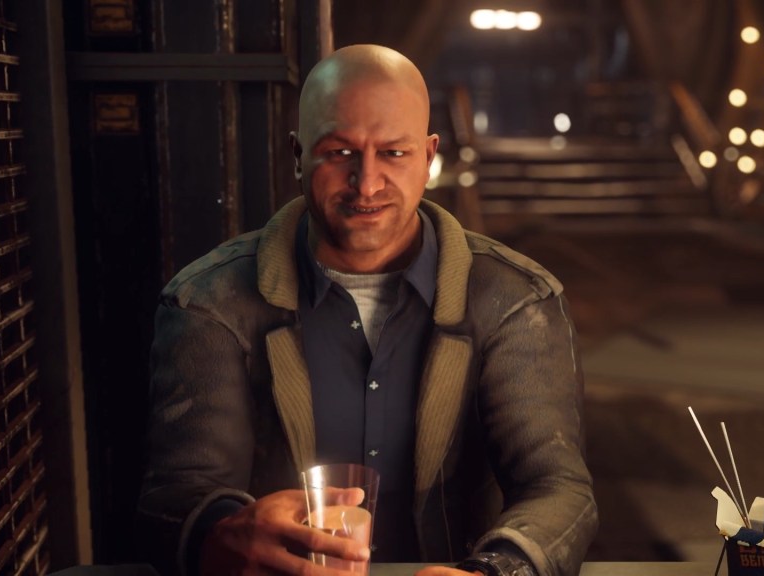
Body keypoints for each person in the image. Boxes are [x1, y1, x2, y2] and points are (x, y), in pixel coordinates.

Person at [136, 44, 597, 576]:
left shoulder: (516, 300)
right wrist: (221, 535)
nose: (367, 183)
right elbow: (178, 493)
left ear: (429, 156)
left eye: (394, 153)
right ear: (297, 155)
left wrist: (497, 571)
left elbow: (558, 488)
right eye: (339, 152)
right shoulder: (210, 302)